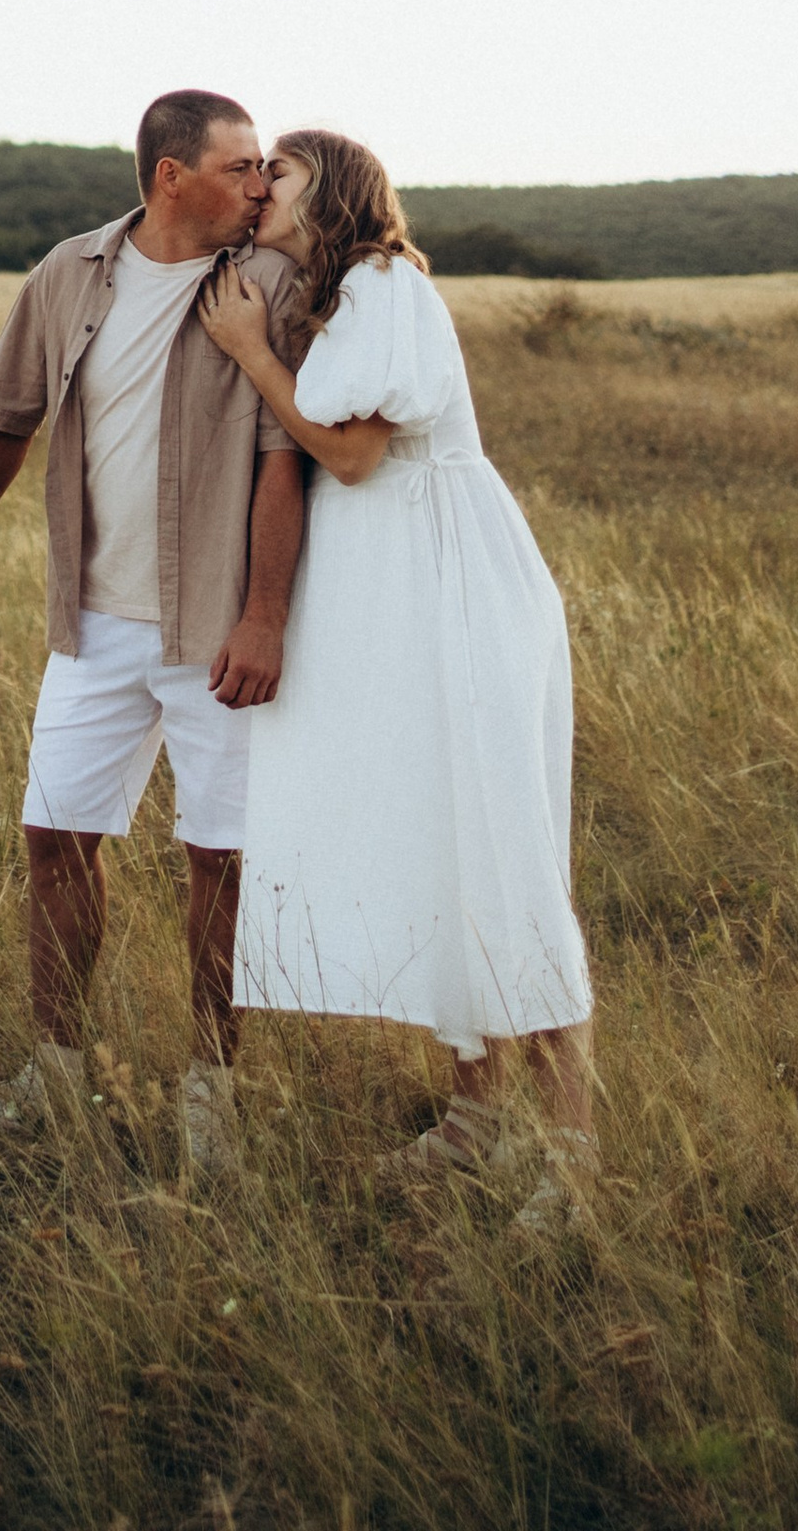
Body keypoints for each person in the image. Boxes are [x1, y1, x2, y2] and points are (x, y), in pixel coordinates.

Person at [199, 129, 595, 1230]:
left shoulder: (382, 280)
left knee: (499, 845)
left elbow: (353, 453)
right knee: (439, 836)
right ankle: (476, 1114)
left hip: (448, 588)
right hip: (397, 596)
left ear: (326, 185)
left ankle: (571, 1152)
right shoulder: (344, 295)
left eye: (275, 169)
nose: (258, 184)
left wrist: (248, 352)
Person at [0, 91, 309, 1180]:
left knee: (218, 860)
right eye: (239, 168)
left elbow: (288, 457)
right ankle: (51, 1073)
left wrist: (264, 614)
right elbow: (5, 416)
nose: (260, 187)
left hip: (213, 626)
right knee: (55, 837)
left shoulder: (265, 284)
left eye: (267, 168)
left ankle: (211, 1093)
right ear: (169, 175)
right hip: (92, 622)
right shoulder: (69, 273)